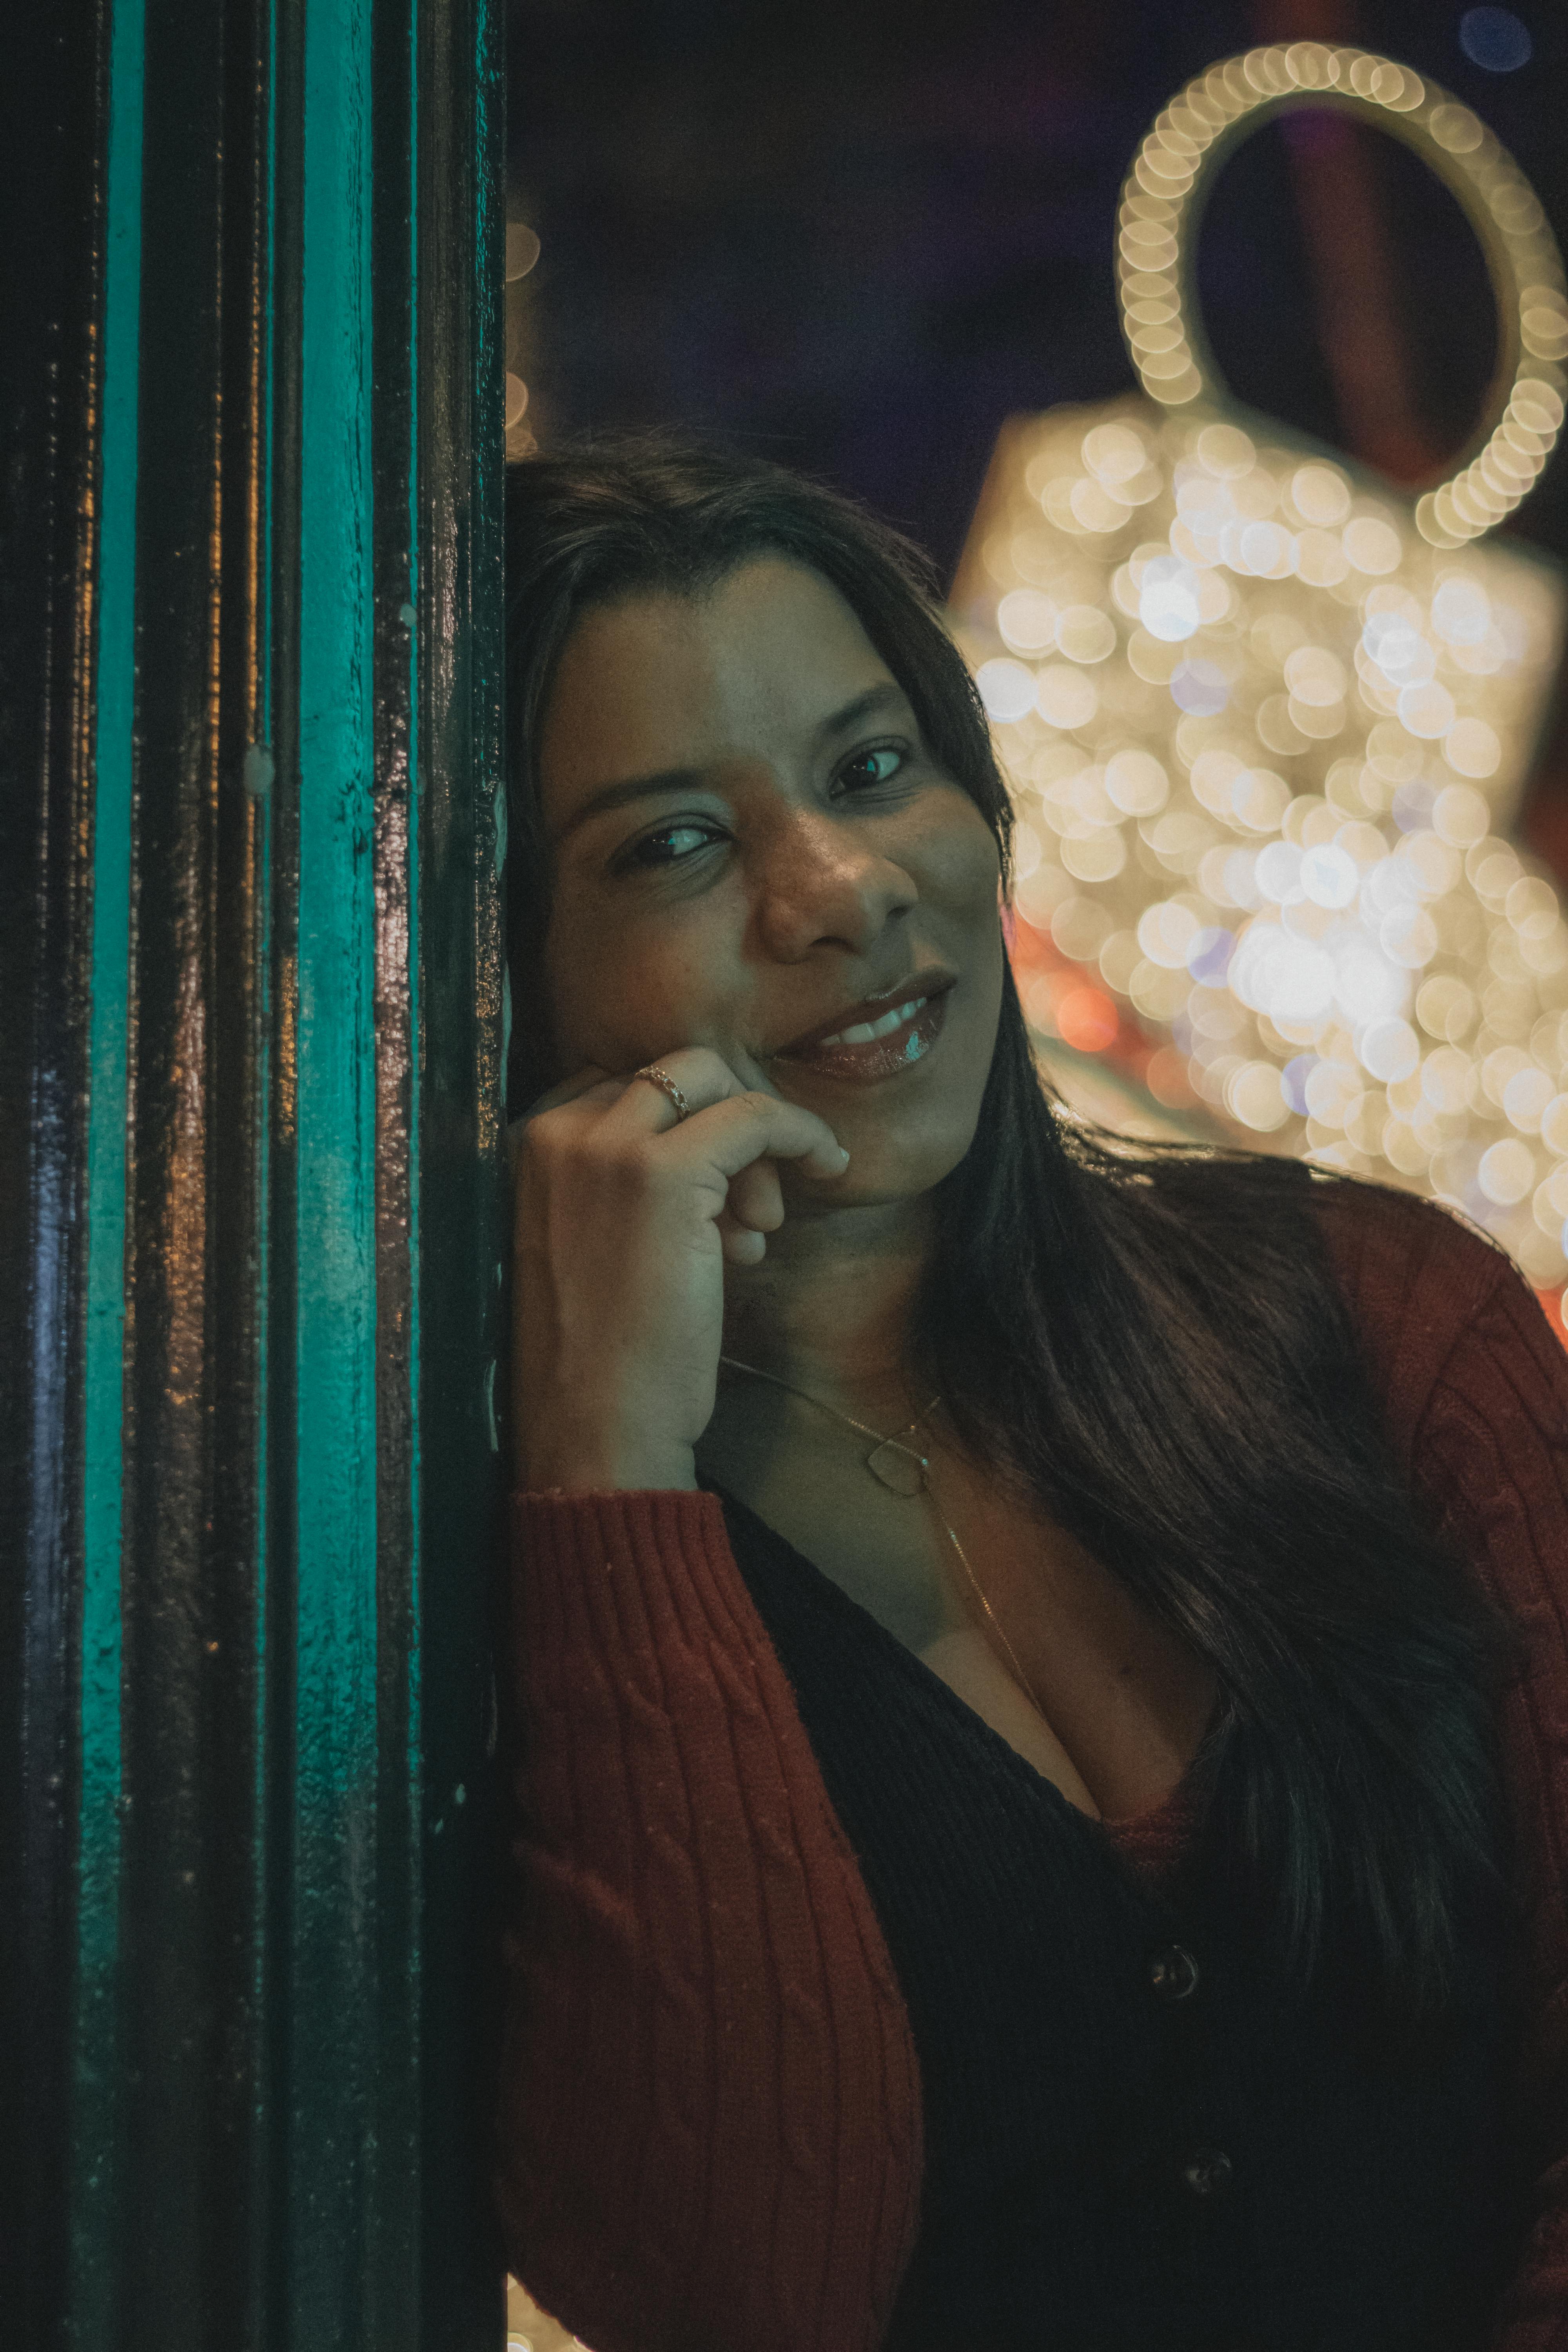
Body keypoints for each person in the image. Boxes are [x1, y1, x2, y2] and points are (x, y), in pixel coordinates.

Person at [494, 433, 1568, 2352]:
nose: (836, 890)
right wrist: (608, 1475)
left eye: (870, 767)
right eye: (672, 843)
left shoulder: (1393, 1317)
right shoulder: (500, 1586)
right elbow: (737, 2291)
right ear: (509, 976)